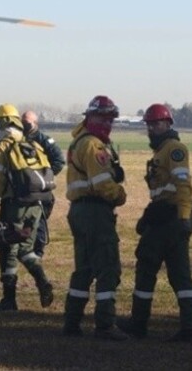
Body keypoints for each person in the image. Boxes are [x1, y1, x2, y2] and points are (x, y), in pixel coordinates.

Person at [117, 104, 192, 342]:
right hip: (163, 217)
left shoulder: (174, 150)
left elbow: (183, 186)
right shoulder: (161, 151)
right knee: (180, 275)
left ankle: (139, 323)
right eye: (149, 124)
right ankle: (188, 326)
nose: (152, 128)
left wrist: (183, 218)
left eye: (157, 123)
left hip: (168, 221)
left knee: (147, 268)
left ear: (168, 124)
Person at [63, 95, 128, 340]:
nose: (107, 122)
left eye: (110, 118)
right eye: (103, 117)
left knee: (84, 268)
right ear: (90, 117)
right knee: (108, 267)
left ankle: (72, 321)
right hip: (95, 211)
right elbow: (103, 185)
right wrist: (120, 194)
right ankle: (105, 324)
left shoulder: (81, 141)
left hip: (80, 210)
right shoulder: (93, 145)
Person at [0, 104, 54, 311]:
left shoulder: (3, 146)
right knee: (25, 248)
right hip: (36, 205)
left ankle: (9, 299)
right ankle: (42, 280)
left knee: (8, 248)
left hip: (13, 206)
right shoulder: (33, 145)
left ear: (2, 123)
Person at [22, 110, 66, 257]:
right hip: (22, 190)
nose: (23, 125)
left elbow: (59, 161)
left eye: (27, 123)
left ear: (36, 123)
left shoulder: (45, 141)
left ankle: (38, 251)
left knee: (38, 221)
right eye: (21, 122)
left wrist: (44, 178)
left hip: (40, 191)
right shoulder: (17, 140)